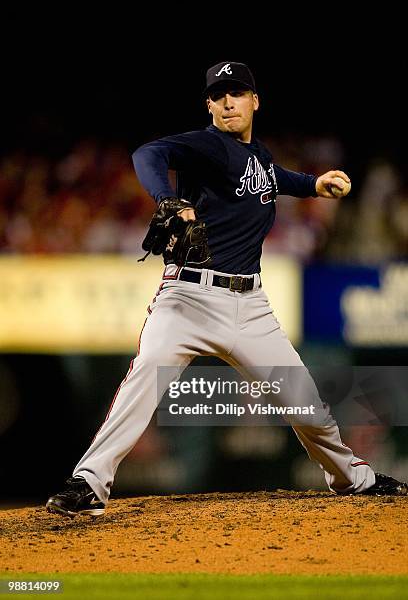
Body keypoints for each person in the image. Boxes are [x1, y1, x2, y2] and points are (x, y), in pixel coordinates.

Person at [46, 61, 407, 517]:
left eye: (237, 93)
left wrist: (313, 184)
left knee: (305, 402)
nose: (228, 101)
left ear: (255, 100)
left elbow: (275, 179)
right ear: (209, 106)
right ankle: (89, 483)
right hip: (188, 299)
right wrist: (168, 199)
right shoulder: (206, 146)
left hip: (250, 306)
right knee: (144, 376)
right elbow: (147, 155)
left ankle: (351, 478)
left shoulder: (259, 158)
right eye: (219, 95)